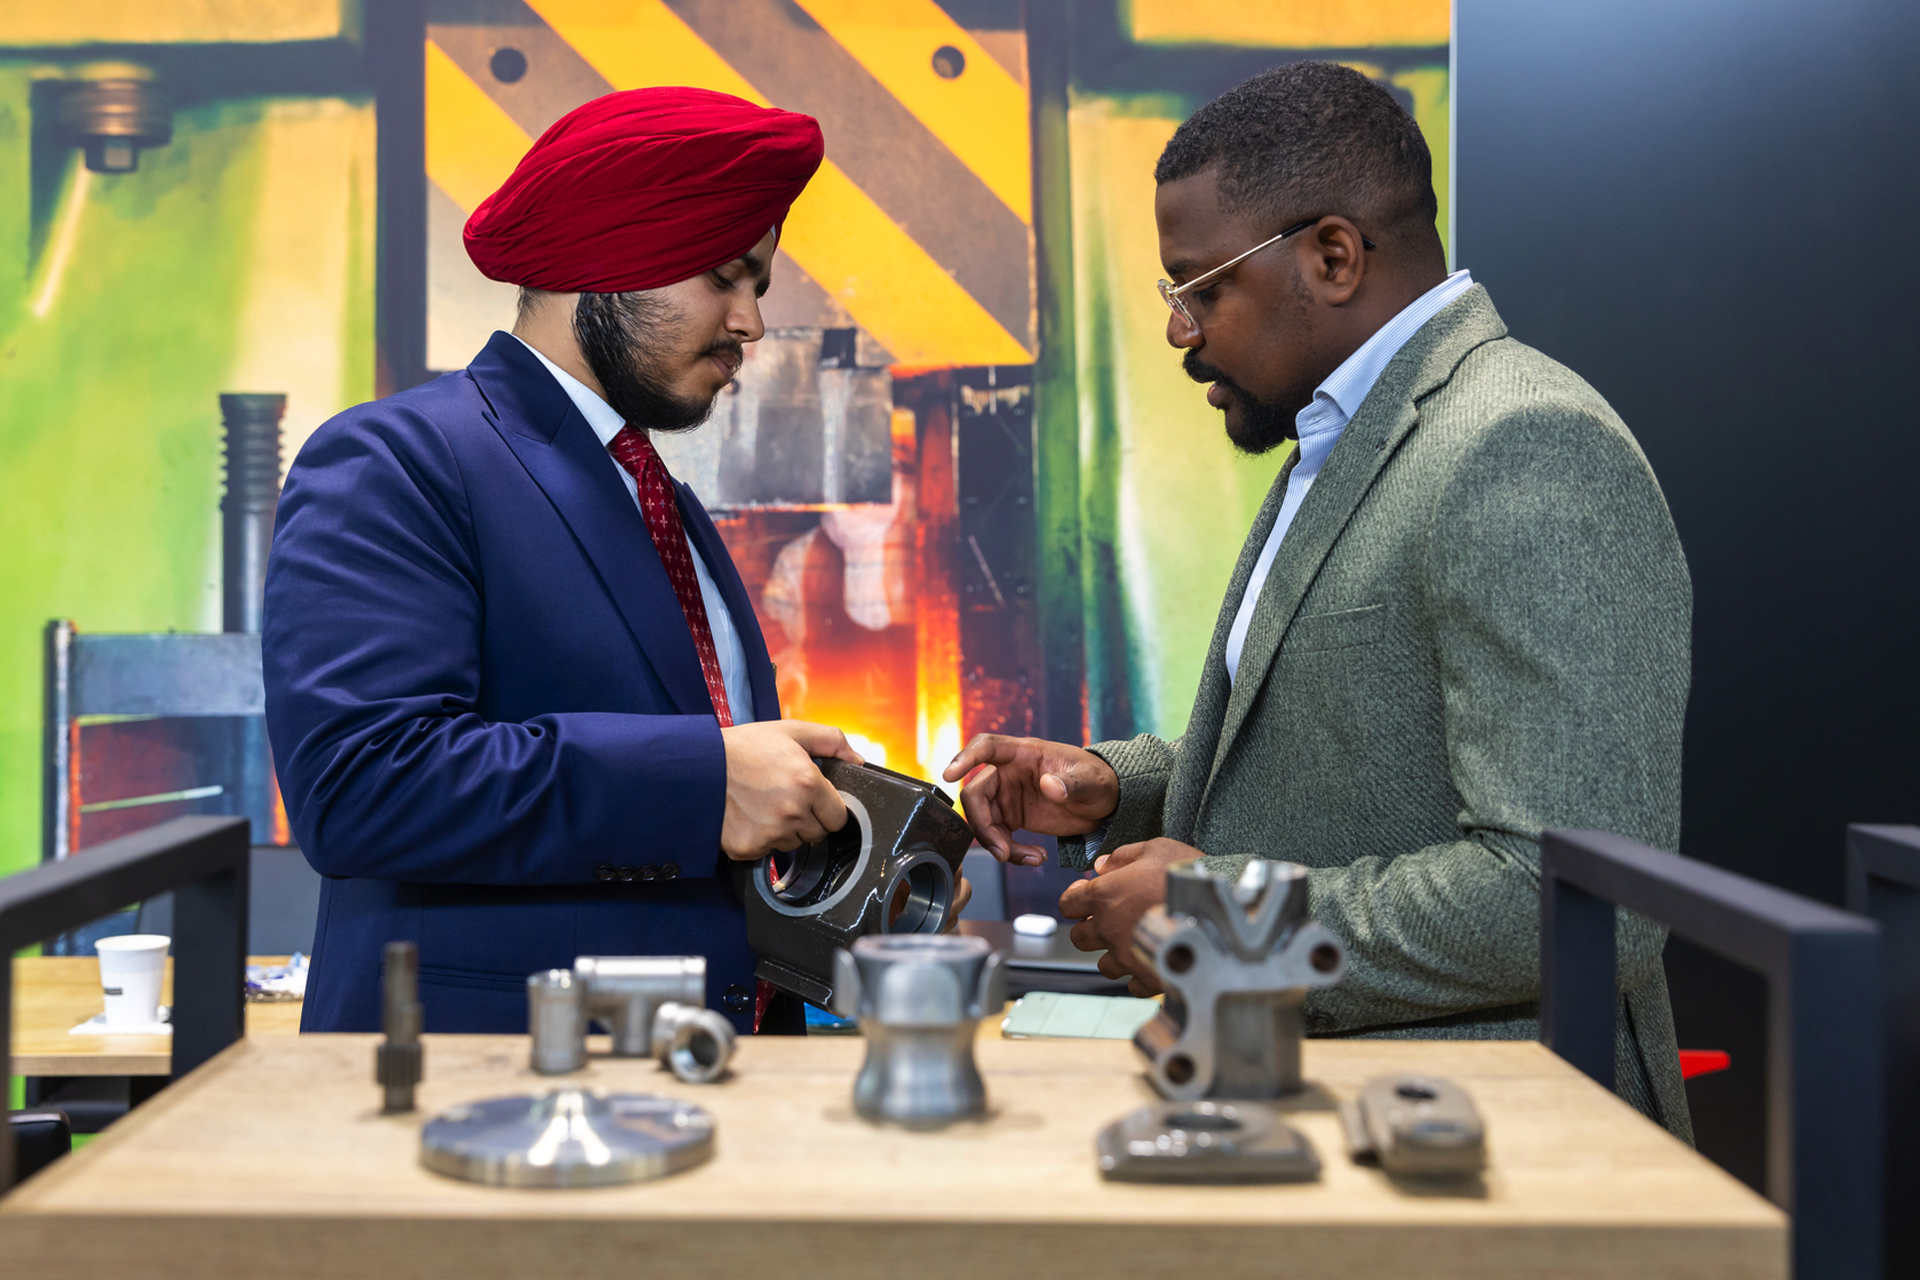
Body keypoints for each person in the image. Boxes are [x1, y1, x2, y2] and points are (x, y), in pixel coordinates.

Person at [945, 63, 1693, 1138]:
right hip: (1342, 1126)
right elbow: (1351, 754)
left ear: (1333, 256)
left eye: (1202, 290)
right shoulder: (1344, 437)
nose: (1180, 331)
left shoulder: (1524, 446)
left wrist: (1222, 915)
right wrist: (1116, 788)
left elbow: (1577, 900)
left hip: (1485, 1149)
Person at [265, 88, 919, 1037]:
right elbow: (361, 785)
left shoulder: (657, 497)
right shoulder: (396, 459)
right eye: (724, 277)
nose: (751, 323)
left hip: (702, 1075)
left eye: (759, 287)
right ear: (605, 261)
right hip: (492, 1080)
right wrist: (705, 783)